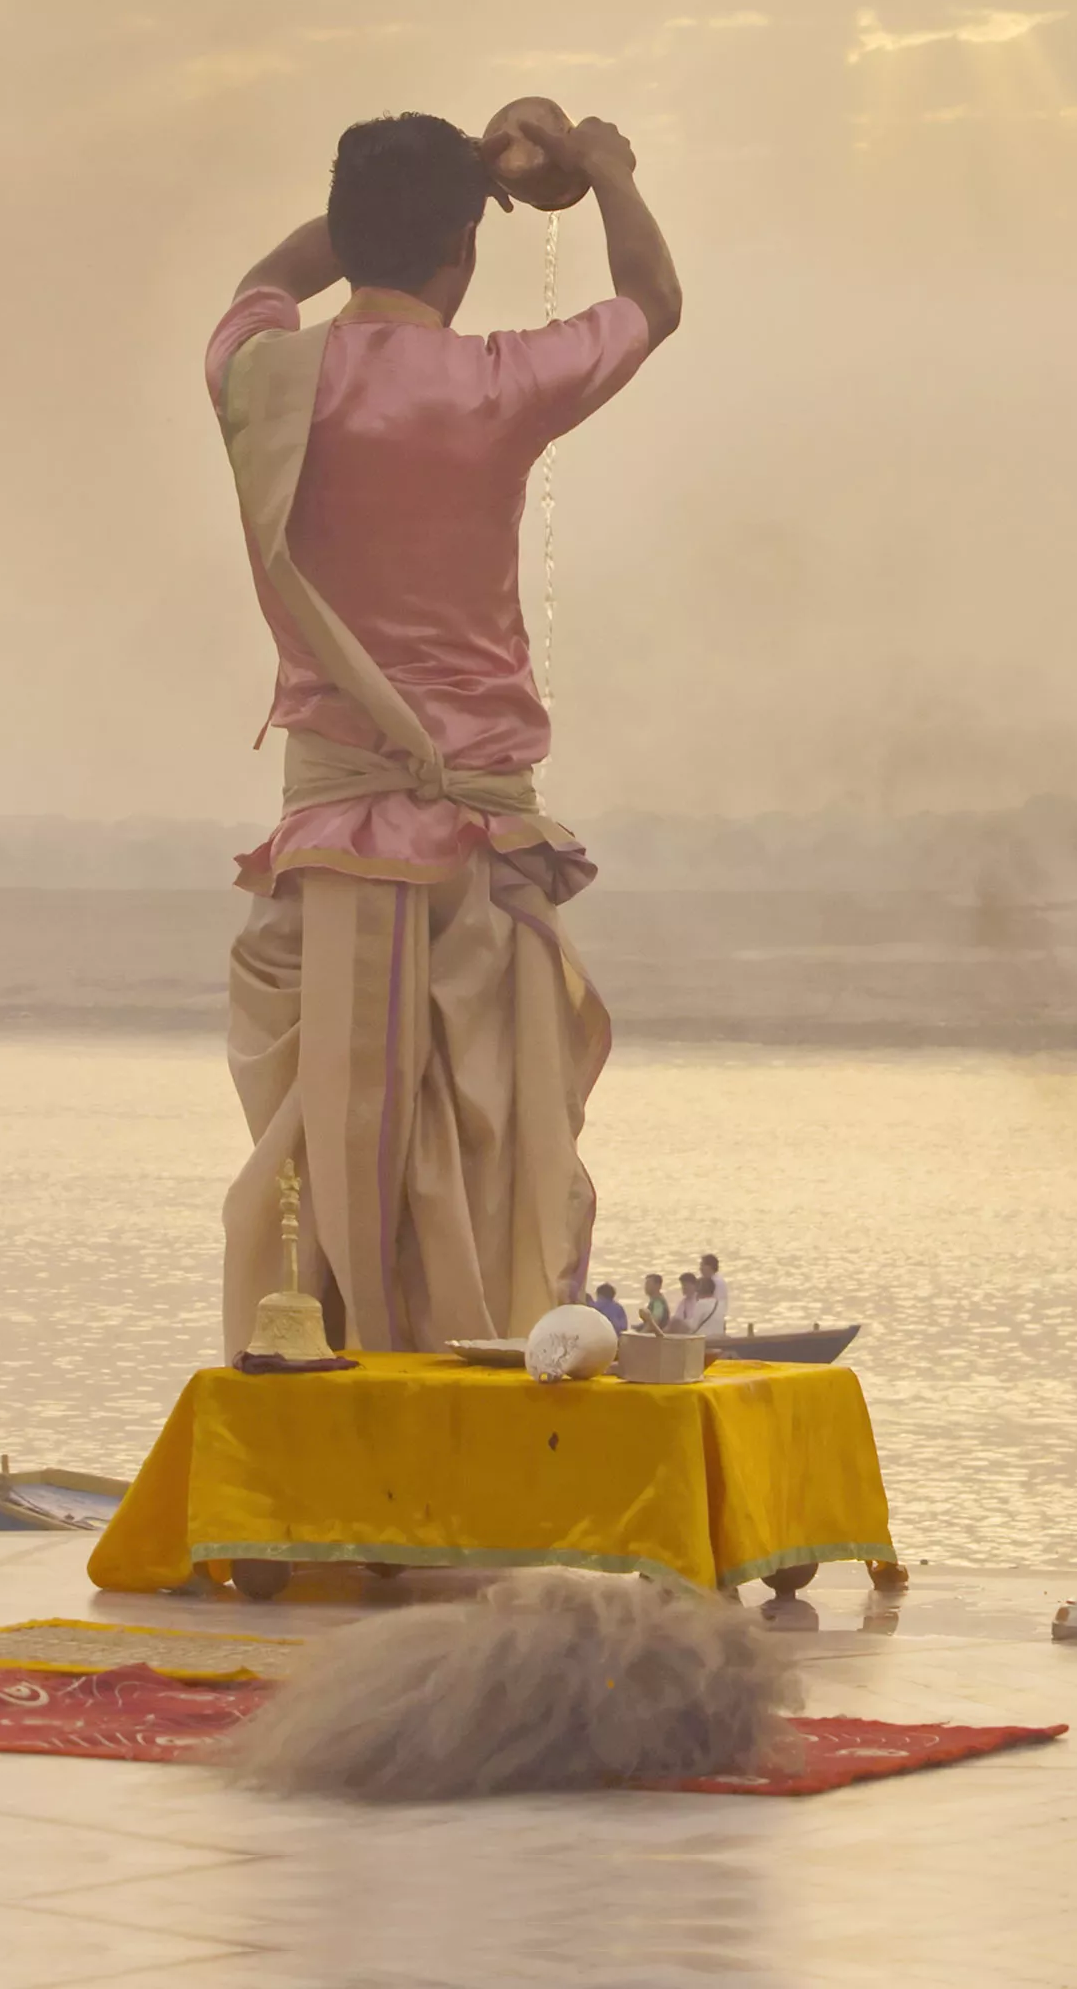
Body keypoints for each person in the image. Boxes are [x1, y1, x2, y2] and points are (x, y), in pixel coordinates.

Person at [212, 109, 682, 1357]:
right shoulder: (495, 385)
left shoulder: (259, 376)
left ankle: (317, 1400)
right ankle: (471, 1400)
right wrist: (605, 172)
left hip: (325, 850)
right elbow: (653, 300)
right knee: (485, 1173)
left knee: (324, 1180)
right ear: (465, 248)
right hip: (474, 856)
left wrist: (448, 183)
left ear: (345, 227)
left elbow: (267, 279)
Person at [699, 1253, 729, 1332]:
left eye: (702, 1265)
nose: (700, 1269)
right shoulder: (705, 1281)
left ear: (710, 1267)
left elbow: (718, 1303)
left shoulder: (717, 1282)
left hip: (714, 1320)